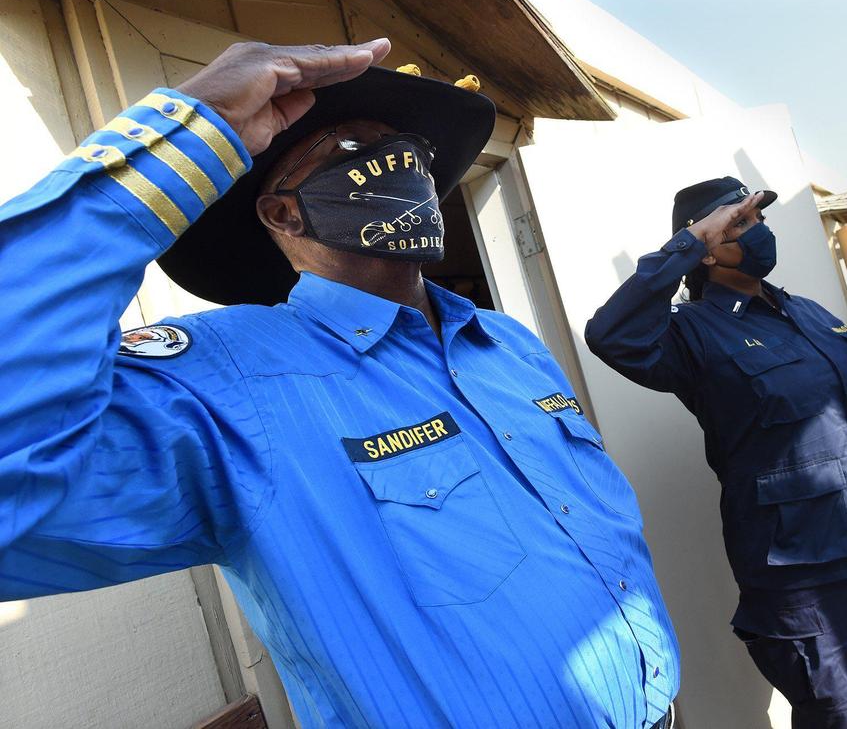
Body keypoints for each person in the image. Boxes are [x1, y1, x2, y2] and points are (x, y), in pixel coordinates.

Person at [0, 39, 680, 729]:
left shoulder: (507, 344)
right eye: (353, 148)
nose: (400, 166)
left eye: (404, 147)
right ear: (283, 214)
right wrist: (189, 131)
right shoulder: (229, 382)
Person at [585, 177, 847, 728]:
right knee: (840, 718)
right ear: (705, 247)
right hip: (802, 572)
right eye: (737, 224)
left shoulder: (810, 313)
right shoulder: (692, 333)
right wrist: (690, 242)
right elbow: (611, 335)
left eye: (757, 219)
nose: (757, 232)